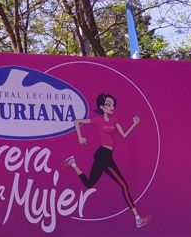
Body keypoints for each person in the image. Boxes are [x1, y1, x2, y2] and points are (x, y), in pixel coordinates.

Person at [62, 92, 152, 228]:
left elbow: (124, 135)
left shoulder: (115, 120)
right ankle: (137, 218)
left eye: (112, 105)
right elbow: (77, 121)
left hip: (106, 155)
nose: (112, 107)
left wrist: (134, 124)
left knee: (89, 184)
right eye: (108, 104)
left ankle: (73, 163)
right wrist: (80, 137)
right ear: (102, 107)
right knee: (124, 185)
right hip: (103, 155)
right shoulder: (98, 120)